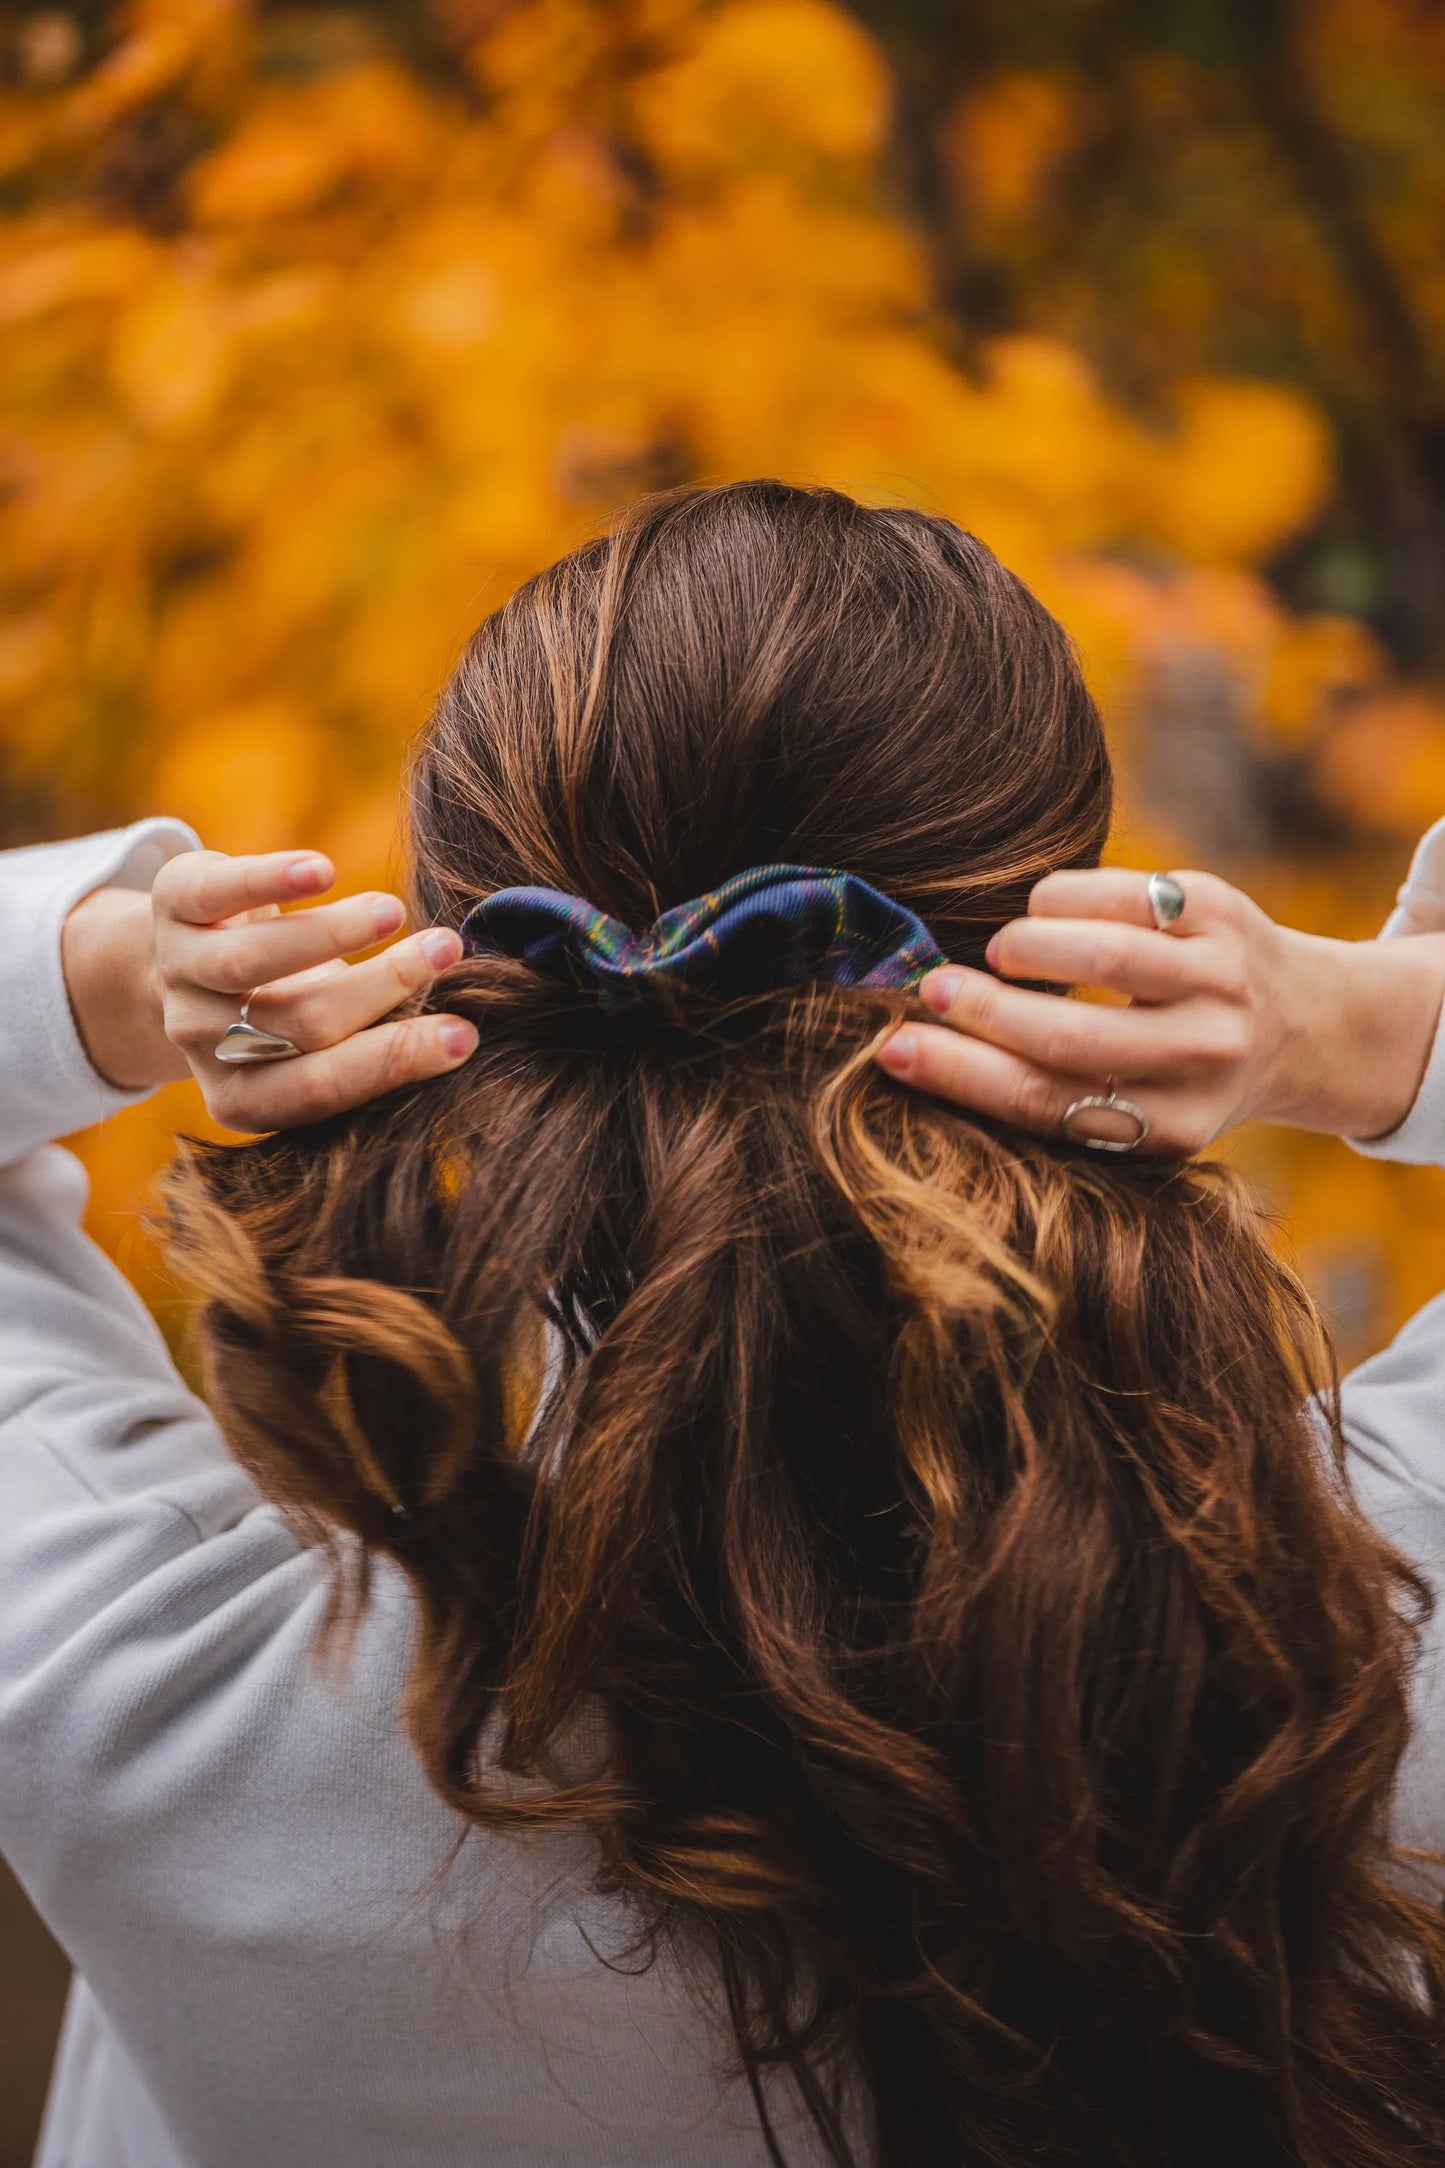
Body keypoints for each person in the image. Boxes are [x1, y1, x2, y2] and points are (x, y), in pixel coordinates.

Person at [2, 480, 1443, 2168]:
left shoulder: (139, 1691)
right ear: (1059, 965)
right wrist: (1362, 1031)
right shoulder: (1357, 1642)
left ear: (463, 982)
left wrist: (108, 980)